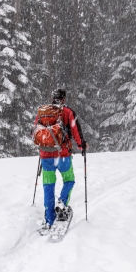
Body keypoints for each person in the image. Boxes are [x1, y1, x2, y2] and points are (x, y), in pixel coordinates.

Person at [35, 88, 87, 229]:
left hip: (46, 156)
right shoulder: (68, 112)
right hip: (62, 155)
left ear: (53, 98)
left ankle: (49, 217)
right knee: (69, 180)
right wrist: (82, 146)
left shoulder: (43, 112)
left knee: (48, 186)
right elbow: (75, 130)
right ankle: (62, 203)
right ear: (63, 98)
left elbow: (36, 131)